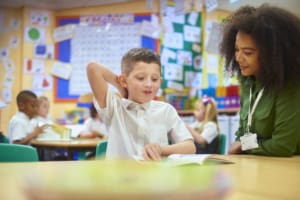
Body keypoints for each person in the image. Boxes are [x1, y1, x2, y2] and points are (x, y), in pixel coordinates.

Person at [86, 48, 195, 161]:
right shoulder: (114, 107)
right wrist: (120, 86)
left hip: (156, 176)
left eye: (154, 79)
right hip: (121, 177)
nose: (149, 84)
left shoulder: (165, 110)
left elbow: (190, 147)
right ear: (124, 80)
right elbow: (93, 68)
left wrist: (161, 150)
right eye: (141, 78)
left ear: (160, 82)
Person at [219, 4, 300, 156]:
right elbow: (242, 132)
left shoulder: (290, 86)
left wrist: (243, 146)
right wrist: (242, 144)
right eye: (236, 50)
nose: (238, 58)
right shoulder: (247, 83)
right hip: (255, 164)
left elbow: (283, 145)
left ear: (271, 55)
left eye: (248, 52)